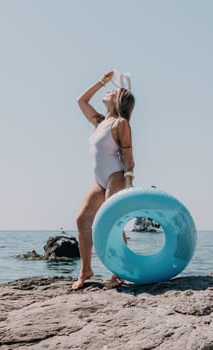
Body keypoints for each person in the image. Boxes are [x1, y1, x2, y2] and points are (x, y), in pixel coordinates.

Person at [71, 69, 136, 291]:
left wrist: (129, 180)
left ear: (118, 100)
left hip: (115, 176)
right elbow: (81, 100)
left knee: (112, 224)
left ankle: (119, 272)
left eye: (112, 91)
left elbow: (128, 153)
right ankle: (86, 271)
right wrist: (101, 81)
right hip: (99, 180)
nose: (108, 91)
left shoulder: (120, 124)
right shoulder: (99, 121)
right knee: (82, 221)